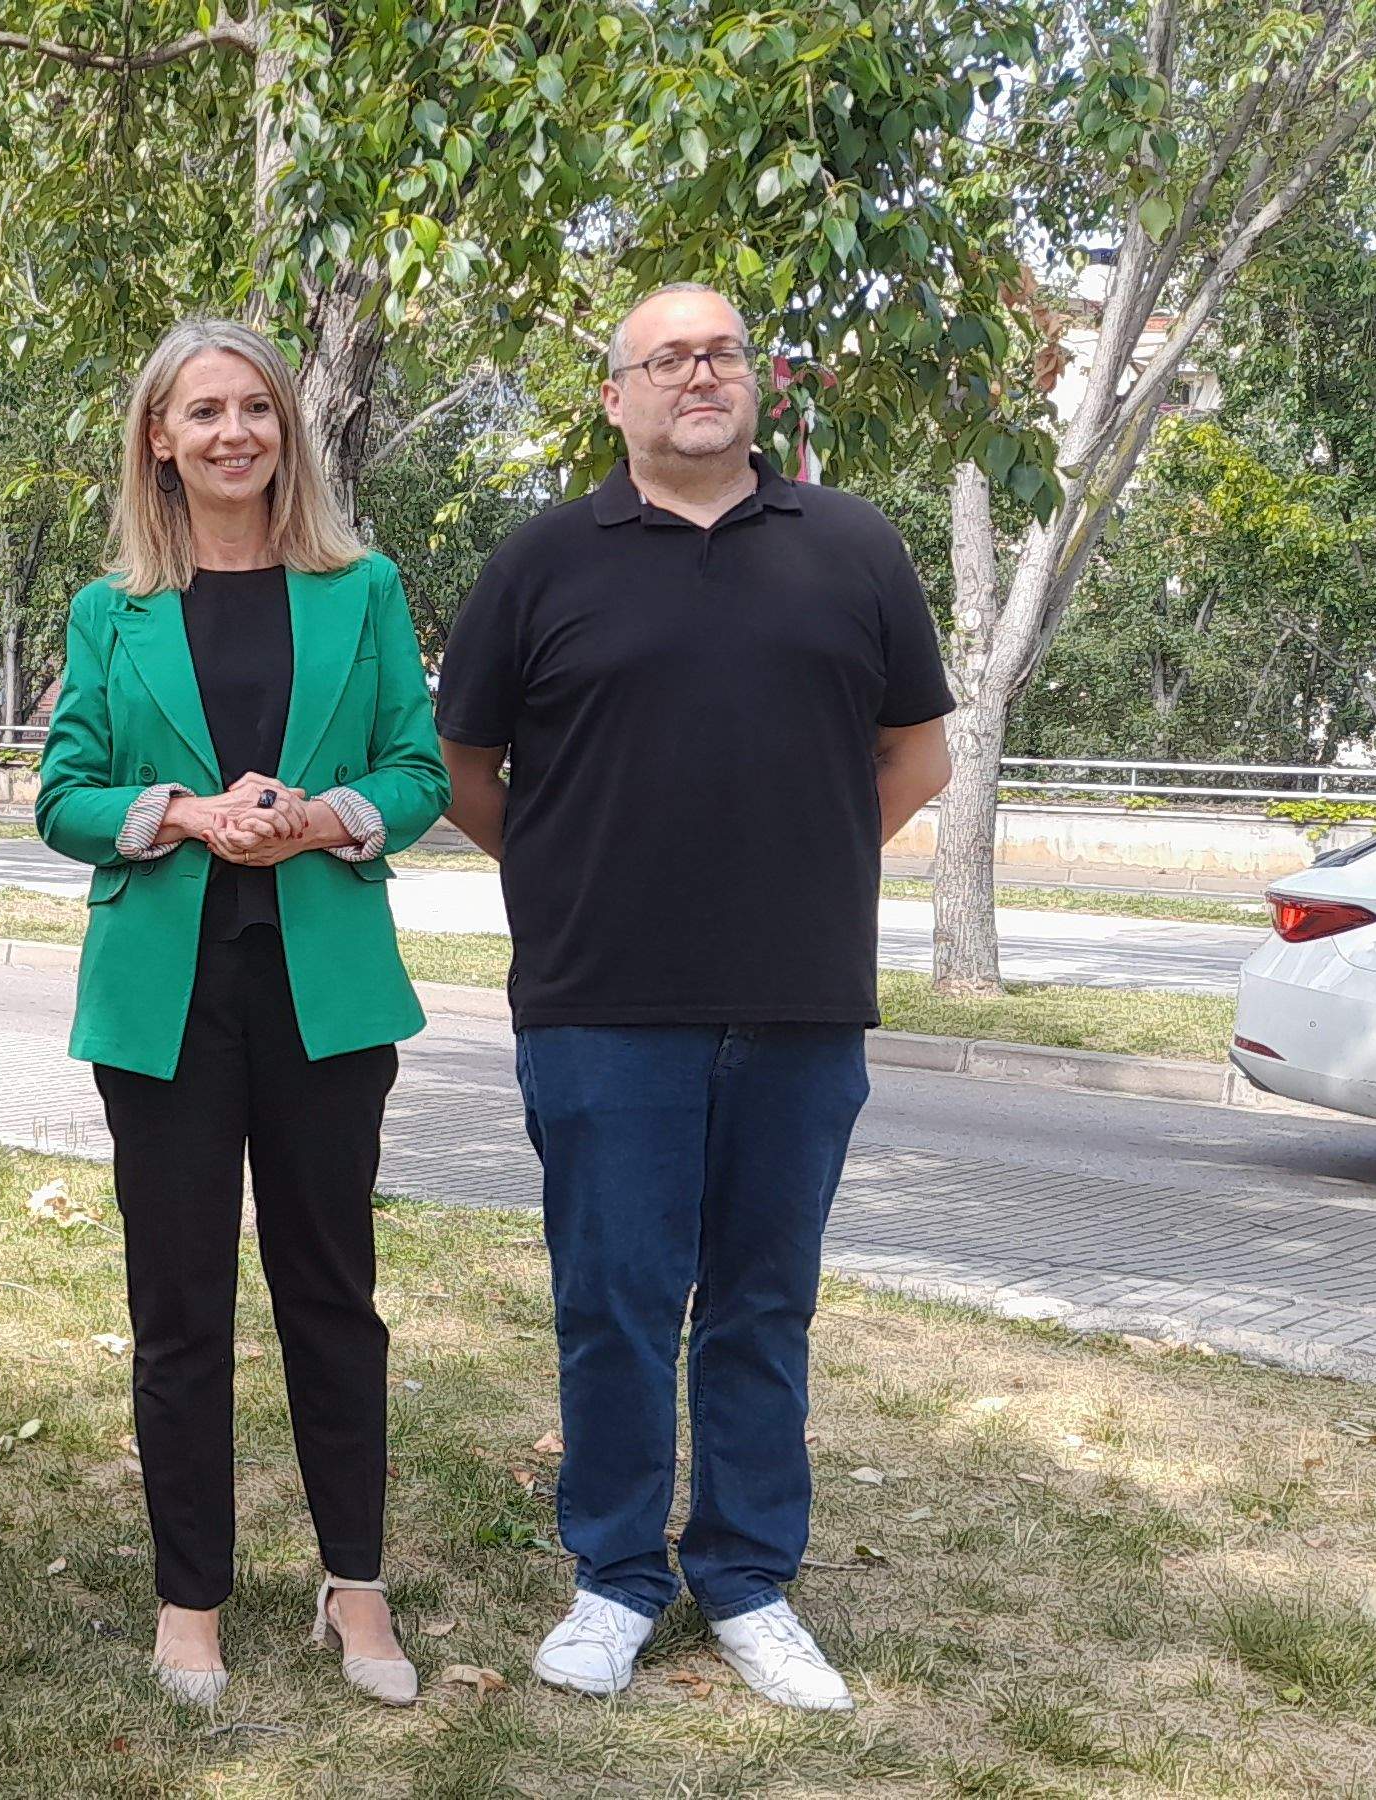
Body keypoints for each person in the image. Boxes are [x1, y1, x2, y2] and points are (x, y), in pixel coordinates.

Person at [435, 283, 955, 1712]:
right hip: (601, 1005)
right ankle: (612, 1577)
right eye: (664, 360)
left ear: (757, 380)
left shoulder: (851, 545)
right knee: (612, 1303)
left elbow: (917, 762)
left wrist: (803, 862)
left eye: (720, 351)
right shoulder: (542, 562)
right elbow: (469, 776)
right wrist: (576, 880)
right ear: (617, 398)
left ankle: (747, 1580)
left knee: (762, 1306)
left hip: (799, 1005)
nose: (697, 375)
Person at [32, 319, 448, 1709]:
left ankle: (357, 1586)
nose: (231, 434)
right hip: (167, 1001)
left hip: (327, 993)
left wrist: (327, 815)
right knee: (180, 1306)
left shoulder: (363, 587)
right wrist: (187, 816)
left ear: (286, 432)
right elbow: (64, 794)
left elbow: (417, 771)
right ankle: (189, 1600)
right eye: (201, 412)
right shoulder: (112, 612)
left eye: (253, 410)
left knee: (333, 1295)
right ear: (159, 437)